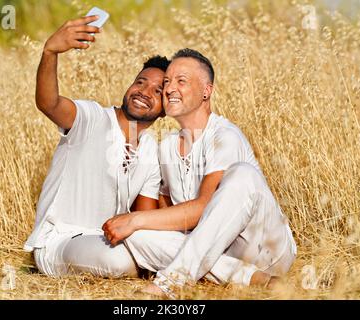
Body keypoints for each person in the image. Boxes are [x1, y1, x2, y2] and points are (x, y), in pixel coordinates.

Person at [102, 48, 297, 298]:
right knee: (138, 237)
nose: (171, 89)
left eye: (181, 81)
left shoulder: (224, 136)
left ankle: (170, 283)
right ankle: (255, 280)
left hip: (265, 250)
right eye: (168, 82)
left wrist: (135, 219)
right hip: (215, 254)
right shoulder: (167, 146)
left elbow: (203, 207)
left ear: (206, 91)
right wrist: (137, 224)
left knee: (243, 174)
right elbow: (167, 212)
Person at [23, 15, 170, 279]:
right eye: (140, 82)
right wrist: (50, 51)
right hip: (60, 242)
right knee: (117, 260)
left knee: (159, 248)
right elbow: (49, 103)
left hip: (108, 239)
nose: (144, 92)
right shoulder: (92, 118)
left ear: (166, 111)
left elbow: (144, 220)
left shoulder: (150, 150)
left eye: (157, 91)